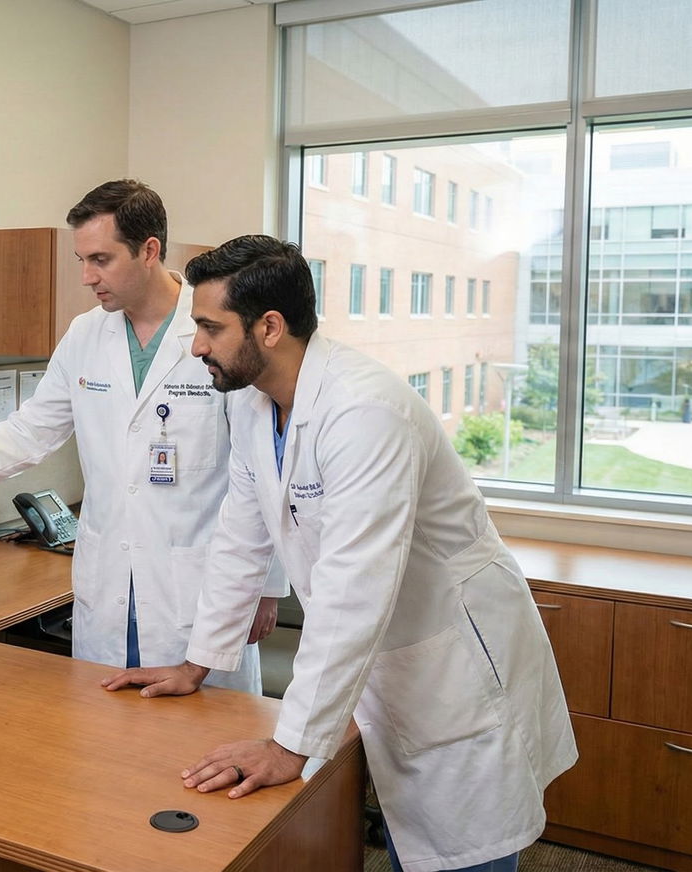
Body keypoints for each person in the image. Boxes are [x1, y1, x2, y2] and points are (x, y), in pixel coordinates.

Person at [106, 235, 576, 872]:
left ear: (269, 327)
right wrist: (198, 662)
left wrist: (291, 747)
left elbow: (354, 588)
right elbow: (240, 540)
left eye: (210, 327)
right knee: (409, 840)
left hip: (451, 656)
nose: (196, 346)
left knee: (461, 852)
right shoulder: (252, 405)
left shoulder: (365, 412)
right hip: (386, 652)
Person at [0, 180, 281, 693]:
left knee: (198, 752)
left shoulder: (218, 332)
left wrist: (267, 585)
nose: (88, 277)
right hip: (108, 580)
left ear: (149, 250)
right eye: (80, 260)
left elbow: (265, 466)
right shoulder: (86, 334)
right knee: (104, 747)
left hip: (200, 585)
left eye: (101, 259)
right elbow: (30, 431)